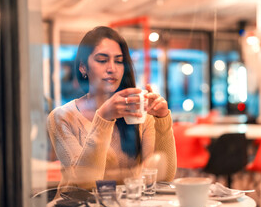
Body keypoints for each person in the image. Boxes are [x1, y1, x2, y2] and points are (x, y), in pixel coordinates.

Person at [47, 26, 177, 190]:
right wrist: (103, 119)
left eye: (119, 61)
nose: (112, 68)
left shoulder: (138, 113)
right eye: (102, 60)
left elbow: (163, 178)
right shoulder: (63, 117)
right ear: (83, 67)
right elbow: (84, 184)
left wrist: (162, 119)